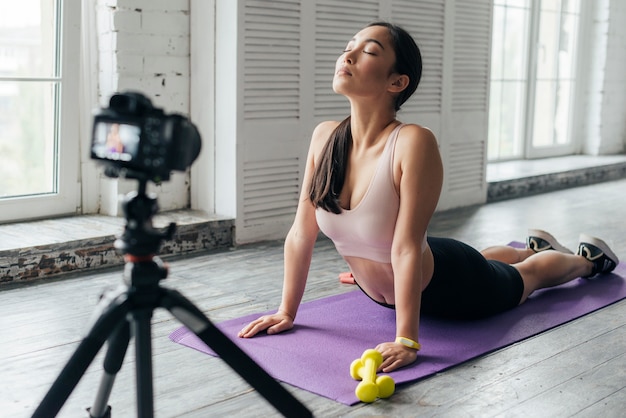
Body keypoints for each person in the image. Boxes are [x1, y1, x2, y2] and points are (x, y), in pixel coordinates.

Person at [237, 22, 619, 373]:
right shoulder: (325, 136)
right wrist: (287, 311)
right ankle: (528, 247)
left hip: (452, 285)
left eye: (368, 52)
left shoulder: (413, 142)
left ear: (397, 82)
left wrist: (407, 339)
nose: (347, 56)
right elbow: (301, 234)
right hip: (405, 277)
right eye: (347, 47)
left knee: (524, 278)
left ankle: (587, 262)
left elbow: (404, 247)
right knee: (481, 259)